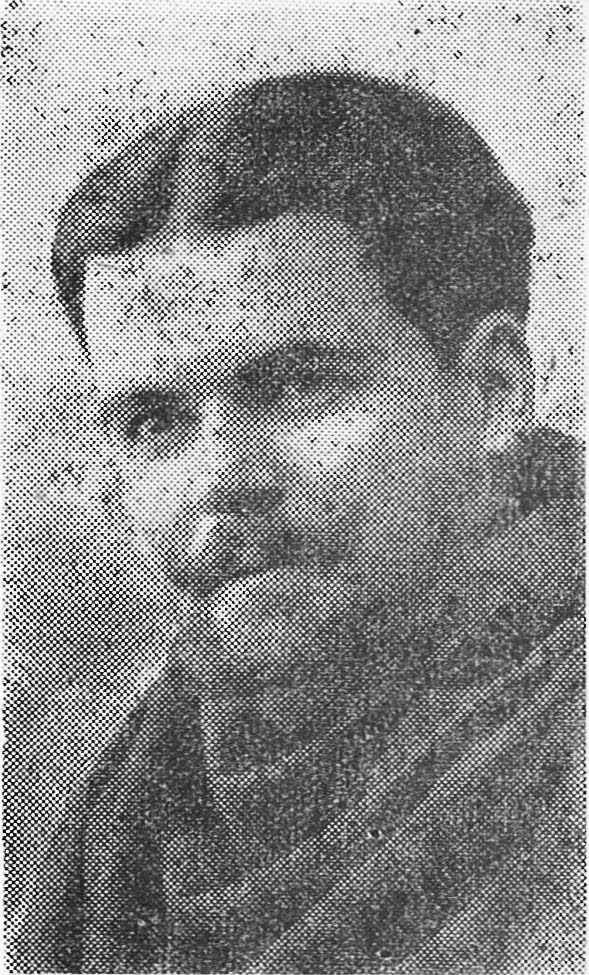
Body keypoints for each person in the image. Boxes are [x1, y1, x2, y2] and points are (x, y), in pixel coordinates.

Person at [12, 72, 583, 974]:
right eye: (155, 422)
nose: (221, 479)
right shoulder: (124, 823)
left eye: (295, 386)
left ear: (491, 392)